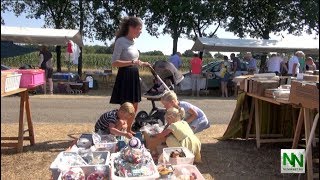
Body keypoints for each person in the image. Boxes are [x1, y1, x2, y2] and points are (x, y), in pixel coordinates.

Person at [110, 16, 150, 134]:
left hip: (134, 75)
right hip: (125, 75)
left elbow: (134, 59)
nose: (141, 31)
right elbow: (114, 62)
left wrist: (142, 63)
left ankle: (128, 129)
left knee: (135, 105)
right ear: (131, 28)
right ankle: (118, 131)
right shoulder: (120, 41)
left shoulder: (134, 42)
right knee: (125, 108)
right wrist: (132, 62)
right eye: (139, 28)